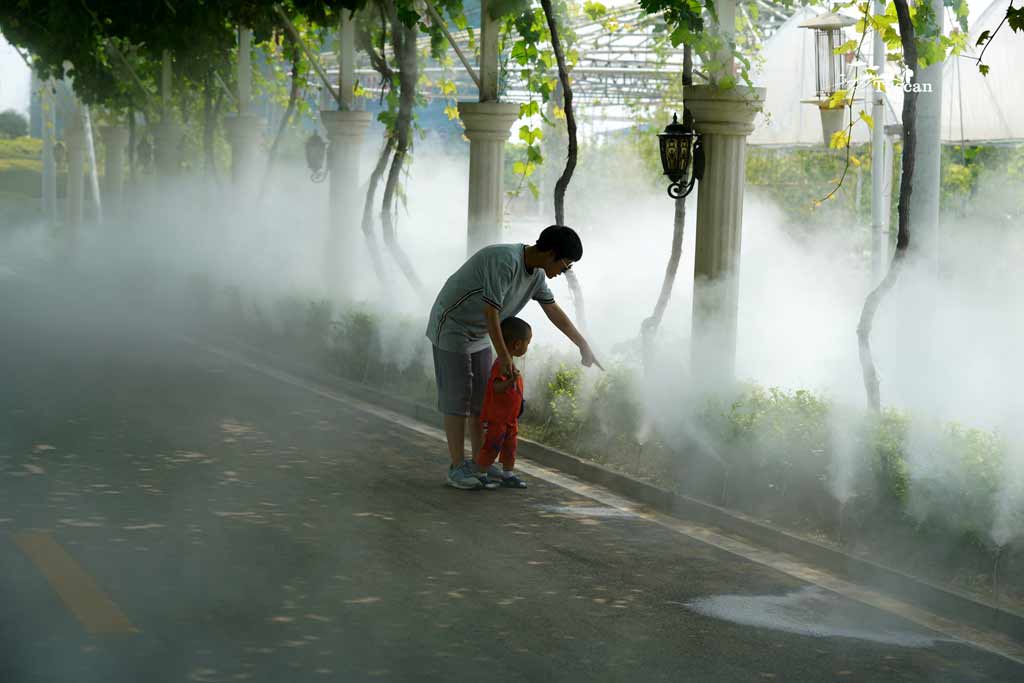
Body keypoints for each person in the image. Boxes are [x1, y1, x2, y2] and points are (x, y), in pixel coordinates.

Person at [426, 225, 602, 490]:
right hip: (453, 324)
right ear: (551, 253)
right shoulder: (504, 261)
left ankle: (479, 464)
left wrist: (583, 345)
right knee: (457, 398)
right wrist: (504, 354)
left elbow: (553, 311)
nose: (563, 272)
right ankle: (456, 467)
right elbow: (491, 313)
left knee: (481, 401)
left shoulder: (537, 276)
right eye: (565, 264)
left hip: (481, 332)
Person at [473, 316, 531, 489]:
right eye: (528, 342)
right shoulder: (501, 364)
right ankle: (481, 474)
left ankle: (507, 474)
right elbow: (496, 387)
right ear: (517, 344)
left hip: (510, 419)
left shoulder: (510, 363)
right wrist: (510, 382)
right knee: (491, 446)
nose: (528, 347)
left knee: (510, 447)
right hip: (497, 418)